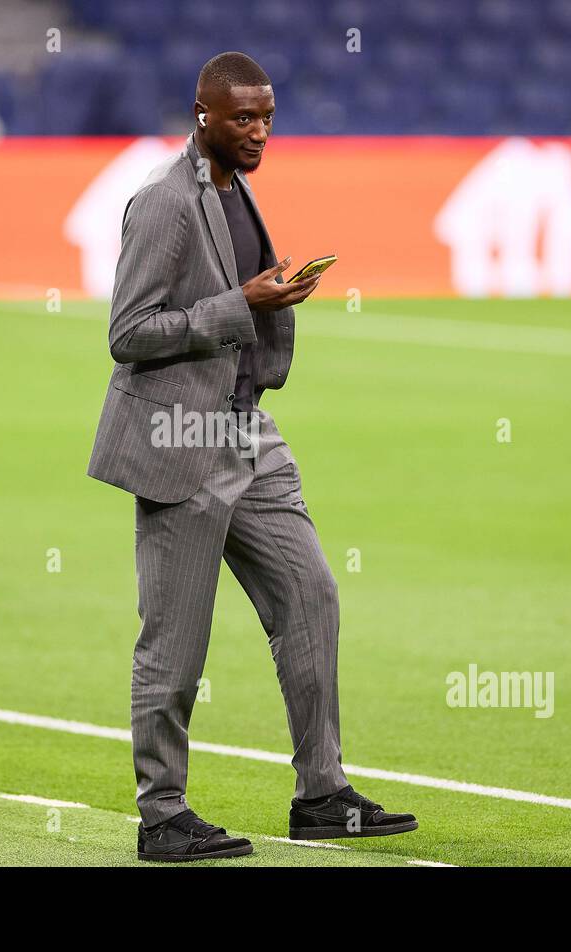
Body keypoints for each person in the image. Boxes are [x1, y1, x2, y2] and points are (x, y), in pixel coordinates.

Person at [86, 52, 415, 861]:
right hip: (181, 438)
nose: (260, 131)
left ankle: (322, 794)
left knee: (311, 597)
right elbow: (126, 334)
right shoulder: (163, 203)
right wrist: (243, 305)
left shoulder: (236, 190)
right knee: (176, 643)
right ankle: (163, 818)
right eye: (244, 119)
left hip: (249, 430)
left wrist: (269, 295)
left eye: (267, 116)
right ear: (203, 115)